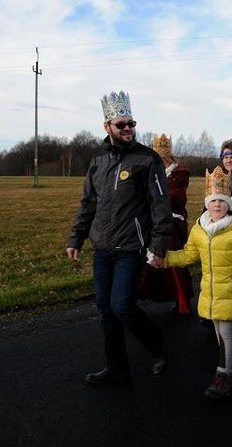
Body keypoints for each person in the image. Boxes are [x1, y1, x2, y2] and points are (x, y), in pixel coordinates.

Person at [66, 91, 173, 384]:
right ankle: (117, 368)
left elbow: (160, 205)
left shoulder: (147, 159)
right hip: (102, 247)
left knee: (122, 304)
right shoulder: (98, 160)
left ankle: (157, 345)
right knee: (105, 309)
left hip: (130, 247)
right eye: (121, 125)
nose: (128, 129)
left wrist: (159, 245)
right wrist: (76, 238)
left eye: (131, 123)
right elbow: (88, 202)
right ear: (107, 127)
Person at [154, 166, 232, 398]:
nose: (217, 205)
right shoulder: (199, 229)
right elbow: (188, 255)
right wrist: (164, 259)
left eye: (221, 201)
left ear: (229, 202)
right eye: (213, 201)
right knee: (219, 333)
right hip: (210, 292)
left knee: (227, 334)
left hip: (231, 290)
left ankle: (224, 374)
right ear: (207, 202)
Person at [137, 134, 194, 315]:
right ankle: (141, 296)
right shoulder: (151, 172)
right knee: (147, 260)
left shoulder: (179, 173)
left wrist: (149, 200)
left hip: (172, 222)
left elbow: (172, 198)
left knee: (172, 260)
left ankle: (181, 301)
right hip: (152, 221)